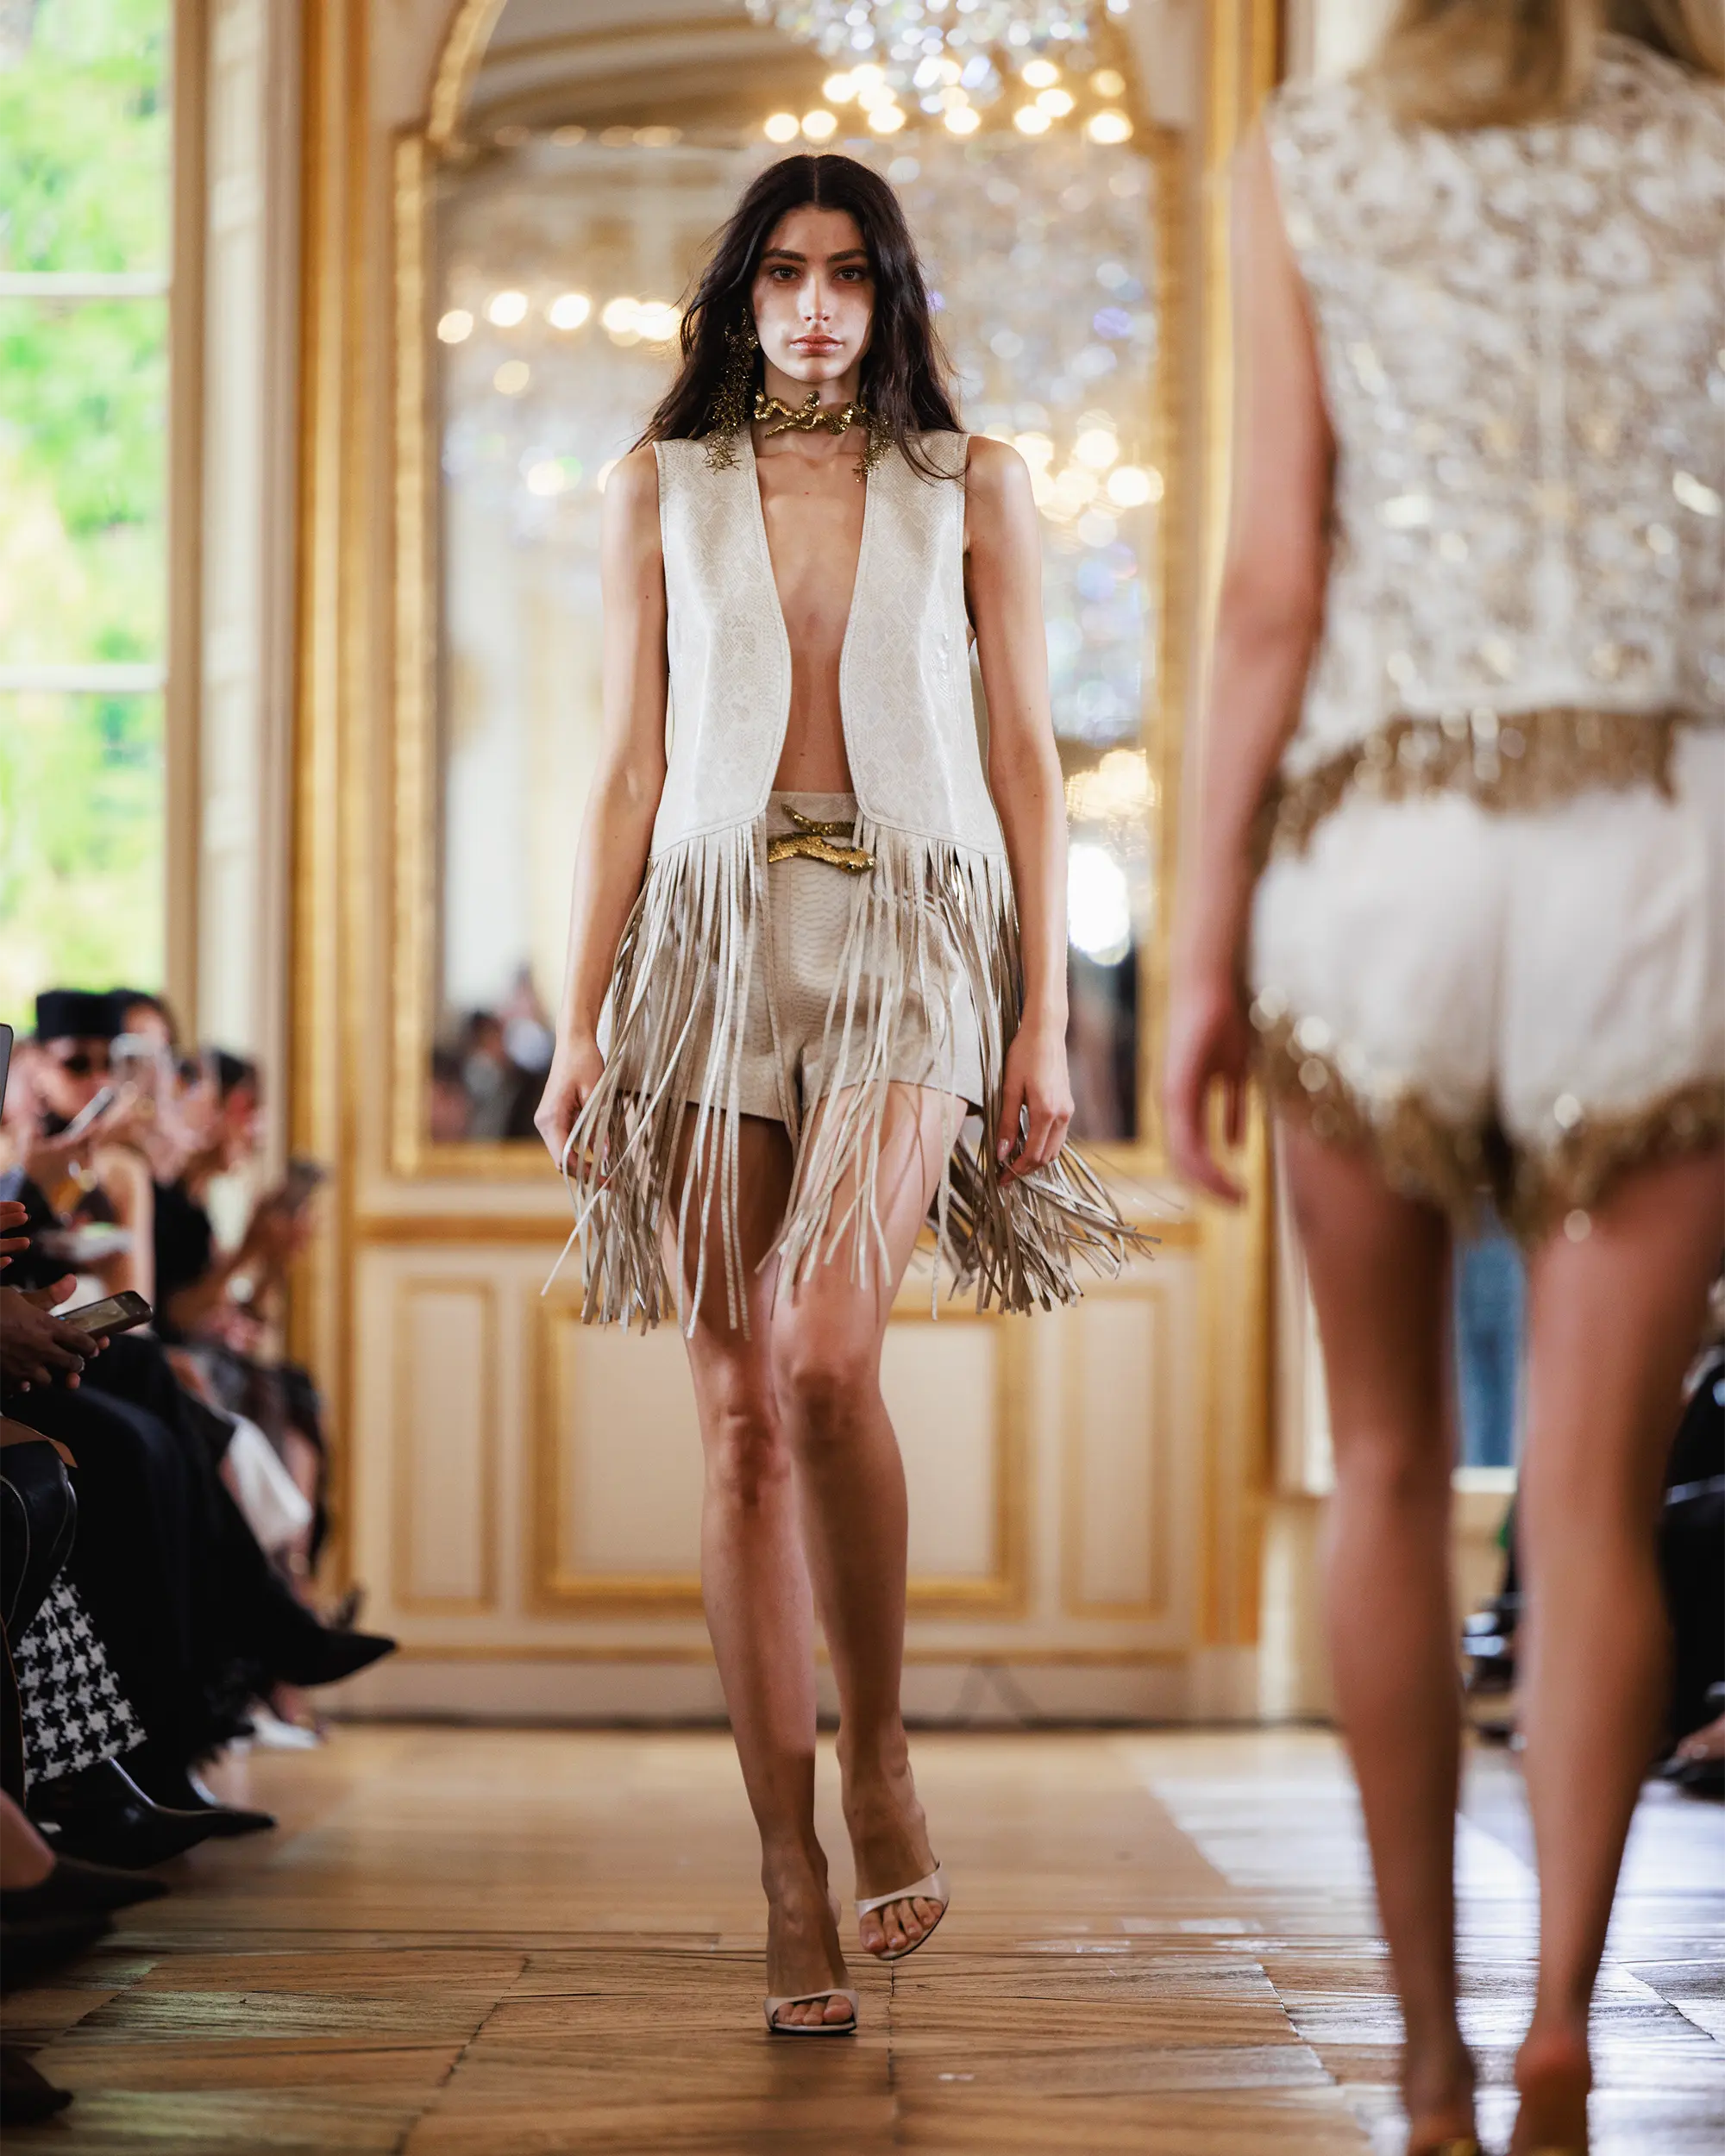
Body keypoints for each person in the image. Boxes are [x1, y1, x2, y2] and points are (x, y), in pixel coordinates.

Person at [1164, 6, 1725, 2153]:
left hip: (1381, 844)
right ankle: (1560, 2023)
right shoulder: (1710, 148)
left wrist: (1197, 949)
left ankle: (1422, 2055)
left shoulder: (1313, 151)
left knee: (1390, 1461)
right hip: (1660, 838)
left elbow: (1269, 591)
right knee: (1586, 1499)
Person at [535, 152, 1140, 2036]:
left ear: (891, 299)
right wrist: (576, 1023)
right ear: (741, 296)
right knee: (733, 1421)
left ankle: (879, 1749)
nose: (815, 306)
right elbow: (628, 766)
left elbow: (1026, 756)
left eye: (851, 275)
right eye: (785, 273)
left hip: (913, 935)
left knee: (818, 1359)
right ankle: (785, 1863)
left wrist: (1044, 1020)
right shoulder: (661, 487)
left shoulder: (971, 485)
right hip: (705, 944)